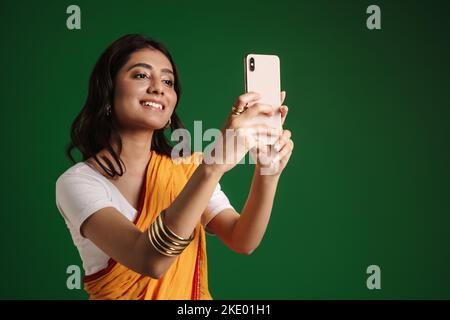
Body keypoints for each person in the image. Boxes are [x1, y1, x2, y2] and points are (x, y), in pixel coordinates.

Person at [55, 34, 294, 300]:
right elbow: (150, 260)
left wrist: (268, 171)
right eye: (141, 76)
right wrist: (213, 165)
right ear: (108, 93)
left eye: (168, 81)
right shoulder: (78, 182)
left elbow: (242, 239)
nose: (158, 88)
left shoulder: (185, 169)